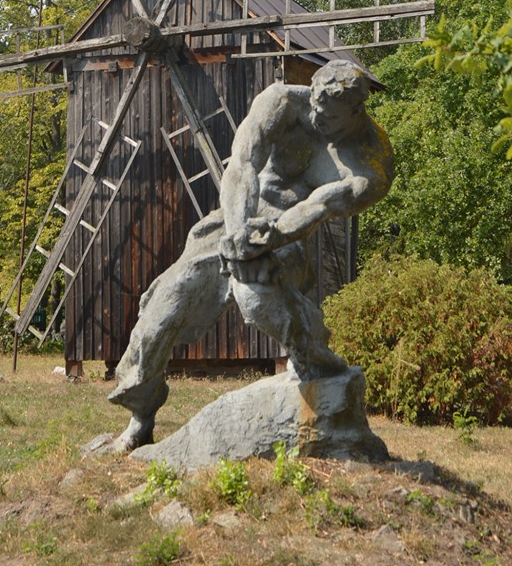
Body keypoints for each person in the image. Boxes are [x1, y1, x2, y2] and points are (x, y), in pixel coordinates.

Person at [108, 59, 394, 451]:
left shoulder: (370, 163)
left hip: (287, 236)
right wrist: (239, 230)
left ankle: (314, 363)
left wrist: (269, 237)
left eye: (326, 115)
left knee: (256, 298)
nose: (315, 117)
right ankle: (141, 416)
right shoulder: (281, 102)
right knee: (164, 307)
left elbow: (316, 209)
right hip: (235, 216)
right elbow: (242, 164)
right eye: (313, 104)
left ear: (356, 111)